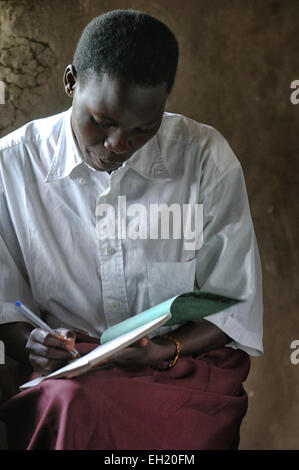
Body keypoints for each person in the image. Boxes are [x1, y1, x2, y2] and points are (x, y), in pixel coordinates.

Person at [0, 9, 263, 450]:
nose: (119, 145)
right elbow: (7, 305)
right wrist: (33, 344)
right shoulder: (12, 166)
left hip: (178, 365)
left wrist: (160, 351)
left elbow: (233, 302)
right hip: (70, 370)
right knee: (74, 405)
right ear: (71, 82)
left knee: (189, 429)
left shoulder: (204, 159)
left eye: (144, 128)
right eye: (102, 122)